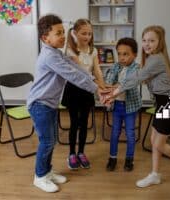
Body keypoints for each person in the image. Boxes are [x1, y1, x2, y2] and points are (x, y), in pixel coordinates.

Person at [104, 26, 170, 187]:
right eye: (145, 40)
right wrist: (115, 89)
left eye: (152, 40)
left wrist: (114, 93)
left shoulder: (157, 59)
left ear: (160, 42)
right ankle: (155, 174)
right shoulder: (151, 58)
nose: (147, 44)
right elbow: (136, 77)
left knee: (159, 143)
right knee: (154, 141)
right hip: (162, 103)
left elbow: (137, 78)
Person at [27, 14, 105, 193]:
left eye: (63, 32)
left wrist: (96, 82)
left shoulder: (57, 53)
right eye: (58, 33)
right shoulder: (50, 56)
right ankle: (39, 176)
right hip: (40, 104)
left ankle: (47, 171)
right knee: (46, 142)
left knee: (51, 140)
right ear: (45, 38)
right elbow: (73, 76)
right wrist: (96, 89)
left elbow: (76, 68)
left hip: (49, 104)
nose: (63, 36)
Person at [62, 19, 106, 170]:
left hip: (87, 90)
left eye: (89, 33)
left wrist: (103, 86)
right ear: (75, 33)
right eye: (83, 33)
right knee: (74, 123)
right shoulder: (70, 50)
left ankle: (81, 152)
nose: (87, 36)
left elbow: (97, 70)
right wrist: (97, 87)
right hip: (74, 90)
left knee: (84, 123)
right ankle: (72, 154)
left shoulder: (93, 50)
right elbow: (82, 70)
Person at [104, 38, 142, 172]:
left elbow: (126, 84)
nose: (121, 57)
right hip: (117, 106)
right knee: (115, 133)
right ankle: (112, 158)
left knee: (130, 134)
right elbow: (108, 81)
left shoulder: (136, 68)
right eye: (119, 54)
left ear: (135, 54)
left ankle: (129, 159)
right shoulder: (116, 67)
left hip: (130, 107)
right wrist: (113, 76)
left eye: (125, 54)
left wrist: (114, 87)